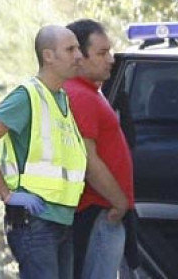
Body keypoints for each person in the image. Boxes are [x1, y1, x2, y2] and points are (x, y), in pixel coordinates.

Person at [0, 25, 119, 278]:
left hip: (60, 221)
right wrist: (6, 195)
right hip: (35, 223)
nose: (78, 56)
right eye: (70, 49)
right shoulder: (27, 96)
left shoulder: (60, 98)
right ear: (48, 56)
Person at [63, 19, 135, 279]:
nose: (111, 60)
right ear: (78, 57)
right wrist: (118, 202)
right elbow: (87, 158)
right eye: (102, 53)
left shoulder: (92, 93)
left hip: (104, 211)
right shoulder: (79, 95)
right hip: (96, 210)